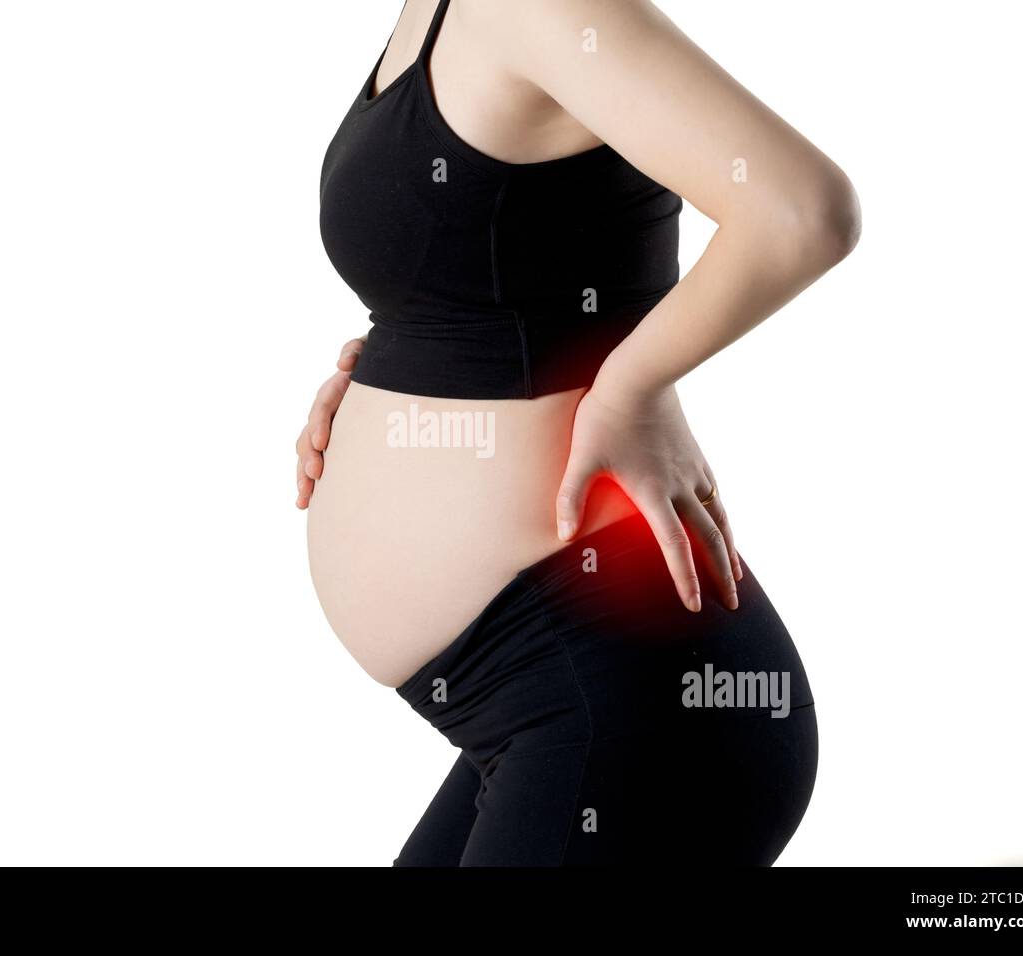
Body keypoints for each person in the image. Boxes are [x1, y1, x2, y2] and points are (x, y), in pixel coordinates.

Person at [297, 0, 860, 866]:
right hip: (541, 707)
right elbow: (516, 256)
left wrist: (631, 387)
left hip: (632, 705)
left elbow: (802, 211)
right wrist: (397, 365)